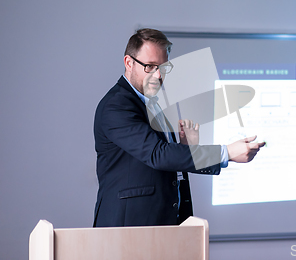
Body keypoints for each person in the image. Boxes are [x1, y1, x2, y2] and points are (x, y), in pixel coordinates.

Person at [93, 28, 264, 227]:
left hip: (163, 226)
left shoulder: (153, 103)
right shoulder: (116, 106)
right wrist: (226, 152)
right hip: (128, 229)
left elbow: (168, 160)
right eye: (150, 66)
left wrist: (187, 148)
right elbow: (158, 154)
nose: (158, 75)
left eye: (163, 68)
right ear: (129, 63)